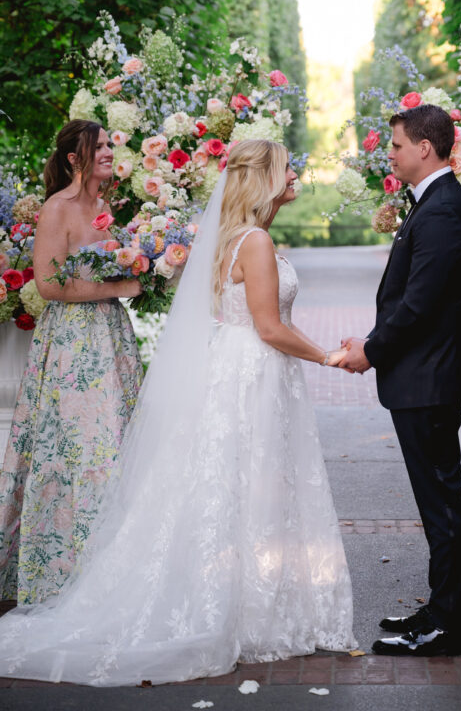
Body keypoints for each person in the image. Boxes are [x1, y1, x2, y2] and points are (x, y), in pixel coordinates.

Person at [0, 139, 355, 685]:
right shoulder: (254, 241)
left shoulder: (235, 238)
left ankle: (250, 605)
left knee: (233, 489)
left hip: (248, 369)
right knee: (244, 486)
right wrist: (330, 354)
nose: (296, 176)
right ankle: (240, 612)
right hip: (253, 370)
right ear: (263, 178)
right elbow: (268, 326)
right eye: (287, 169)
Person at [341, 104, 461, 657]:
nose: (391, 154)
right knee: (437, 504)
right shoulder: (433, 204)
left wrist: (370, 351)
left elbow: (419, 304)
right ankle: (441, 608)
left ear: (426, 147)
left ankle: (449, 628)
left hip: (429, 381)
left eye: (397, 145)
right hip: (424, 377)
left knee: (443, 507)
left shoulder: (443, 210)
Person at [0, 120, 143, 605]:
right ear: (74, 158)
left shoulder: (112, 208)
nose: (108, 151)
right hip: (70, 347)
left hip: (113, 339)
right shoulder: (55, 209)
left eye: (108, 144)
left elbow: (132, 265)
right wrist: (118, 287)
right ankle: (64, 574)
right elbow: (48, 285)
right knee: (83, 454)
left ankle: (120, 570)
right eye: (98, 146)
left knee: (121, 447)